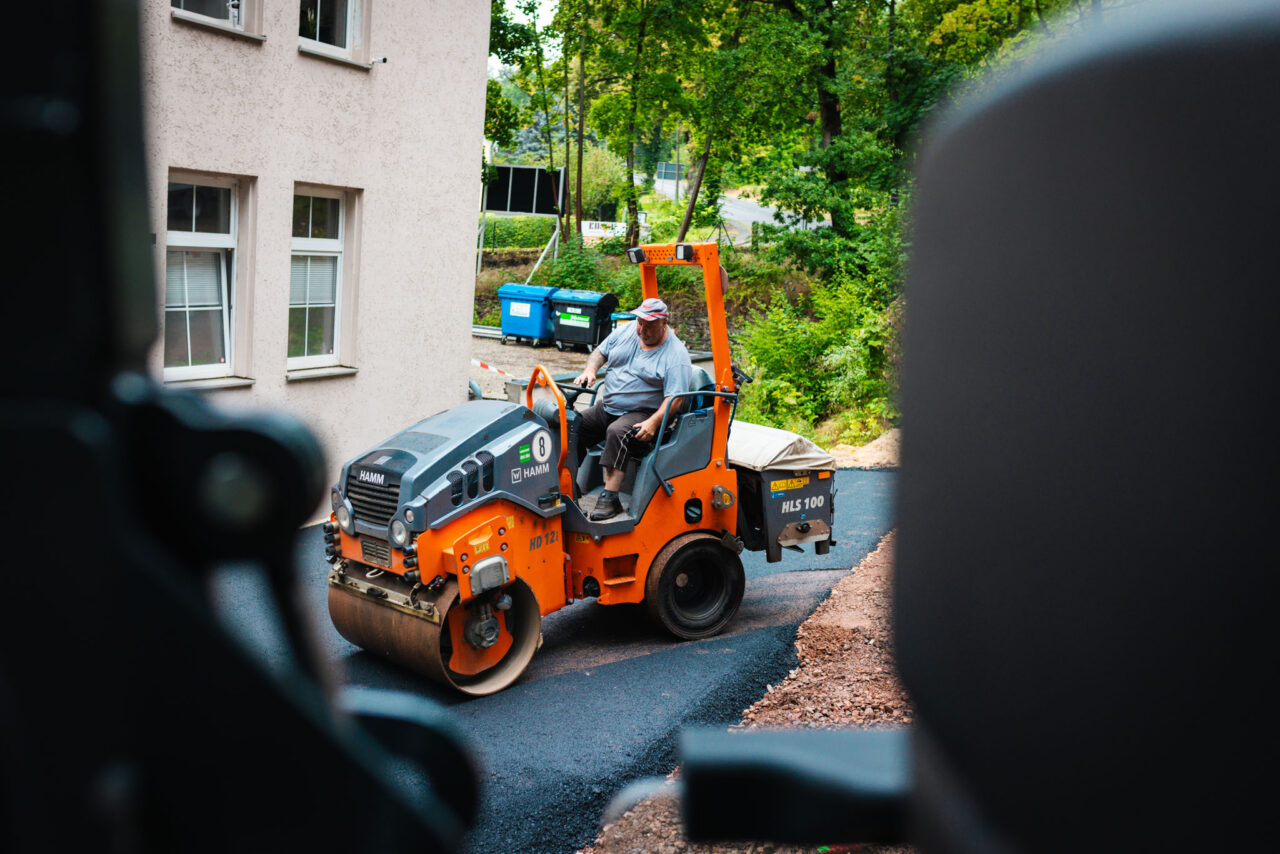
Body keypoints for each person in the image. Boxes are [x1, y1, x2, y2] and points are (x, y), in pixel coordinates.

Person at [573, 297, 693, 520]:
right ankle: (568, 486)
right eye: (640, 322)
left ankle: (610, 498)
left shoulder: (676, 355)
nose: (642, 329)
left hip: (644, 412)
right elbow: (599, 353)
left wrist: (653, 422)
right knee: (573, 424)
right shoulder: (628, 331)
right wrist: (590, 370)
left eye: (649, 325)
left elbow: (675, 399)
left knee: (617, 431)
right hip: (608, 406)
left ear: (663, 322)